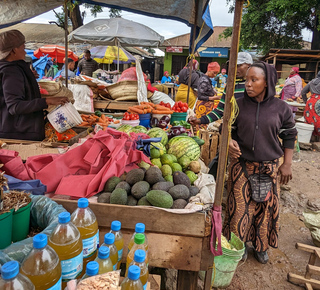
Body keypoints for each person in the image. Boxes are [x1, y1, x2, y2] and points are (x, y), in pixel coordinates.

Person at [223, 61, 297, 264]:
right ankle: (240, 245)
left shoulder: (281, 108)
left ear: (267, 83)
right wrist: (229, 141)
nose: (247, 84)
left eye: (253, 79)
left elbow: (290, 135)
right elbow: (227, 128)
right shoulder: (237, 104)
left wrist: (287, 163)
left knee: (265, 210)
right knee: (239, 208)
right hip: (242, 165)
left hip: (269, 167)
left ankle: (261, 246)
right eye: (246, 79)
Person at [0, 30, 68, 141]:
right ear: (13, 51)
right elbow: (14, 106)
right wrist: (47, 101)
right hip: (19, 133)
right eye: (23, 47)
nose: (25, 51)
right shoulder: (10, 71)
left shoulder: (11, 69)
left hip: (12, 129)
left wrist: (27, 77)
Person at [189, 52, 253, 126]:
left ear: (249, 66)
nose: (235, 68)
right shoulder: (230, 86)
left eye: (238, 65)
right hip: (233, 130)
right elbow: (220, 110)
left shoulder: (253, 86)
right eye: (234, 65)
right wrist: (200, 120)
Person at [194, 62, 221, 129]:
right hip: (203, 107)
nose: (215, 75)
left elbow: (205, 91)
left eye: (216, 73)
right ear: (209, 70)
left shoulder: (206, 79)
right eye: (214, 72)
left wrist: (212, 90)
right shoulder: (204, 80)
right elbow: (200, 96)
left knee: (205, 126)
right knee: (202, 126)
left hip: (206, 107)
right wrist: (215, 98)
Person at [301, 71, 320, 136]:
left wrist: (306, 102)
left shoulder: (312, 82)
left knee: (309, 118)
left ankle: (310, 136)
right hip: (319, 102)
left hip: (311, 102)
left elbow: (303, 92)